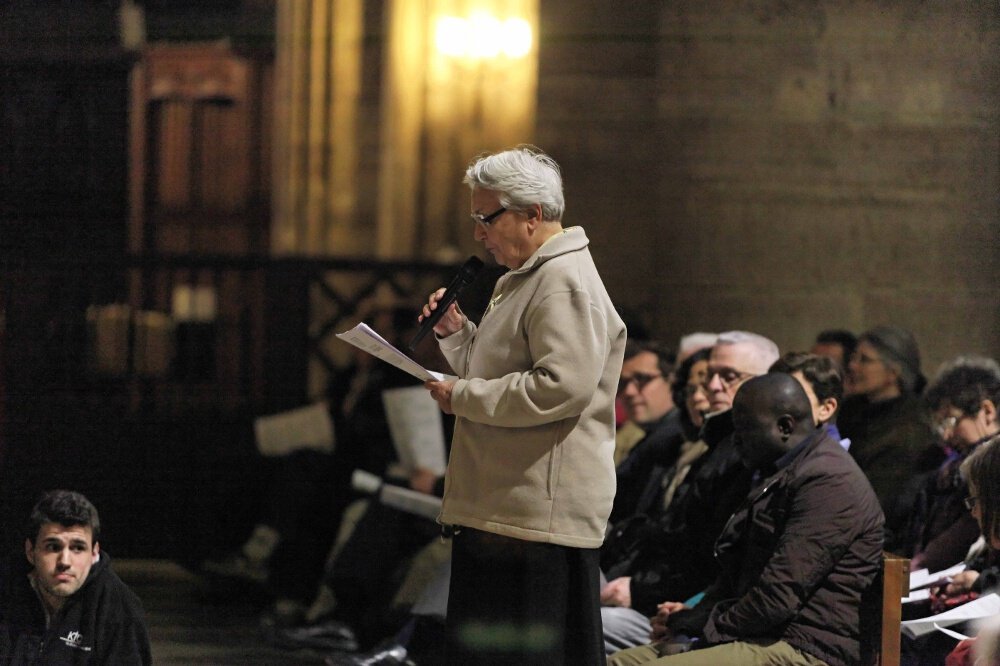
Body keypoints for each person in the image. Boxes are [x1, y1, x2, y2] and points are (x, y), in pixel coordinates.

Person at [420, 145, 627, 665]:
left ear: (533, 214)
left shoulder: (563, 280)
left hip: (536, 521)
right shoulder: (530, 275)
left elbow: (562, 386)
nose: (478, 233)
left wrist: (462, 396)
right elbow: (506, 373)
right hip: (506, 510)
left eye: (485, 218)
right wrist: (457, 335)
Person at [608, 374, 884, 666]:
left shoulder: (828, 482)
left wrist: (703, 630)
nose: (735, 440)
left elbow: (777, 598)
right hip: (763, 635)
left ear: (785, 426)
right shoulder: (784, 470)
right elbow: (737, 574)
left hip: (806, 646)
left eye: (744, 429)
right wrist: (688, 621)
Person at [599, 332, 777, 654]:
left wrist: (665, 605)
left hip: (690, 610)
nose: (710, 389)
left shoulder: (754, 458)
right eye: (708, 377)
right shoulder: (715, 446)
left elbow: (718, 562)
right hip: (668, 598)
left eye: (729, 377)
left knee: (581, 626)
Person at [0, 490, 152, 665]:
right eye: (53, 547)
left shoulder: (119, 608)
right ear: (30, 551)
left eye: (78, 548)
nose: (65, 561)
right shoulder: (6, 592)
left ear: (94, 553)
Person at [838, 325, 943, 549]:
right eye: (853, 357)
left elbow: (882, 501)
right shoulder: (853, 411)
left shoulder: (910, 428)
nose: (852, 366)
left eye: (864, 360)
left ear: (893, 372)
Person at [904, 355, 1000, 572]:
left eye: (951, 420)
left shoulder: (988, 469)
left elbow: (963, 535)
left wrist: (915, 569)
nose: (946, 435)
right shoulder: (946, 467)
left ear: (987, 412)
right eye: (941, 425)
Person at [611, 339, 684, 524]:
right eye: (622, 383)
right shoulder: (655, 436)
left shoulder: (675, 439)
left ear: (672, 380)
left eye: (642, 379)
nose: (629, 391)